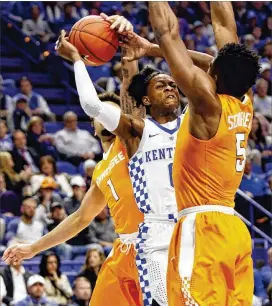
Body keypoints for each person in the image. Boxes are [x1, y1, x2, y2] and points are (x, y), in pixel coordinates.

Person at [147, 2, 259, 305]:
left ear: (216, 77)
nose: (206, 67)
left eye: (210, 68)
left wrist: (155, 42)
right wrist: (148, 49)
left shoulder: (208, 105)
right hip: (234, 229)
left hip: (203, 227)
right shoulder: (244, 99)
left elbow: (167, 33)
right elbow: (224, 28)